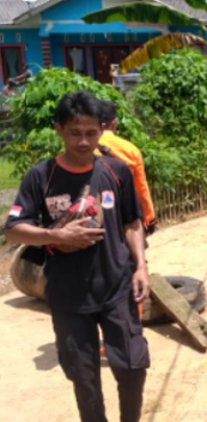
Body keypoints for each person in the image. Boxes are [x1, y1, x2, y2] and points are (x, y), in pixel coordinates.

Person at [4, 90, 150, 422]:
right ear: (59, 130)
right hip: (68, 296)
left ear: (103, 129)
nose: (83, 142)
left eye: (90, 132)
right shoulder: (41, 176)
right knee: (84, 379)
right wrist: (56, 235)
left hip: (117, 288)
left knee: (133, 367)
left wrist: (140, 265)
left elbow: (132, 222)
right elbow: (14, 228)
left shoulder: (116, 171)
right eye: (74, 133)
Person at [97, 100, 157, 235]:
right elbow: (141, 187)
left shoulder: (83, 150)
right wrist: (149, 217)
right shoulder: (130, 149)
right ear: (114, 123)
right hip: (126, 214)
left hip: (96, 214)